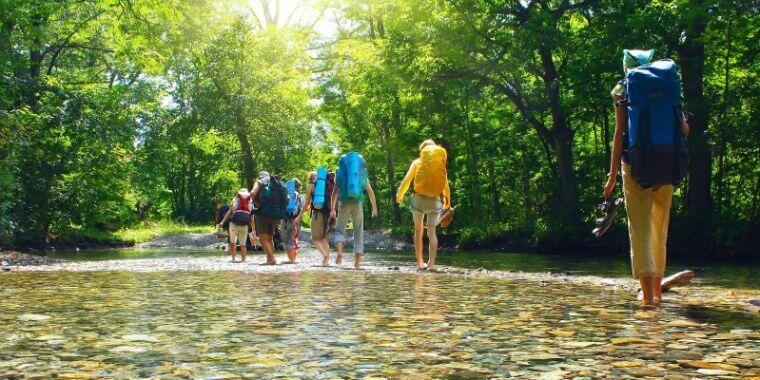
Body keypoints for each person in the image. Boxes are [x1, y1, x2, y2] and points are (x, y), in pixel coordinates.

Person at [603, 49, 690, 308]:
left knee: (639, 228)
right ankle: (658, 295)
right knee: (659, 228)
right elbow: (684, 128)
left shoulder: (622, 89)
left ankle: (648, 300)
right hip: (667, 164)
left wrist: (611, 177)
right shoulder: (669, 85)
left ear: (626, 66)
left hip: (636, 166)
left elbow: (620, 134)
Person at [396, 139, 451, 271]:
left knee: (418, 230)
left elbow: (407, 180)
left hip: (419, 200)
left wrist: (400, 195)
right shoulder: (439, 164)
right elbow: (445, 188)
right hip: (434, 201)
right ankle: (431, 264)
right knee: (432, 233)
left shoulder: (417, 162)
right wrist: (447, 204)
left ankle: (420, 263)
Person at [330, 152, 378, 269]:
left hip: (344, 203)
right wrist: (374, 208)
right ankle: (357, 263)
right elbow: (370, 191)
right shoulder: (361, 173)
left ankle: (340, 253)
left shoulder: (340, 172)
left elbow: (335, 192)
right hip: (358, 203)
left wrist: (332, 208)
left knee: (340, 230)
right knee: (358, 232)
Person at [300, 170, 336, 266]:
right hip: (327, 214)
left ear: (309, 178)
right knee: (324, 238)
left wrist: (299, 216)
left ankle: (324, 256)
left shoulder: (310, 185)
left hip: (317, 214)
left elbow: (307, 202)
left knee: (315, 240)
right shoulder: (325, 185)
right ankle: (326, 262)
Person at [251, 171, 287, 265]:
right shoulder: (276, 183)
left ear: (260, 177)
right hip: (275, 213)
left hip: (263, 213)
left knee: (263, 238)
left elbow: (253, 193)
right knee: (270, 238)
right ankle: (269, 260)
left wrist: (252, 202)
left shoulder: (259, 182)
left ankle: (272, 258)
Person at [217, 188, 256, 262]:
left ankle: (233, 259)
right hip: (244, 225)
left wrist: (222, 222)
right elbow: (251, 217)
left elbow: (230, 211)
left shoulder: (236, 198)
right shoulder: (250, 201)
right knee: (243, 244)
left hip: (234, 224)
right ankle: (244, 260)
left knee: (232, 242)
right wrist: (253, 229)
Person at [281, 178, 304, 263]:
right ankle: (292, 260)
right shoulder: (301, 197)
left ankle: (291, 261)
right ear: (299, 186)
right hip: (296, 221)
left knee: (286, 240)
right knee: (293, 240)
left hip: (286, 220)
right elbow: (302, 209)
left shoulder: (287, 194)